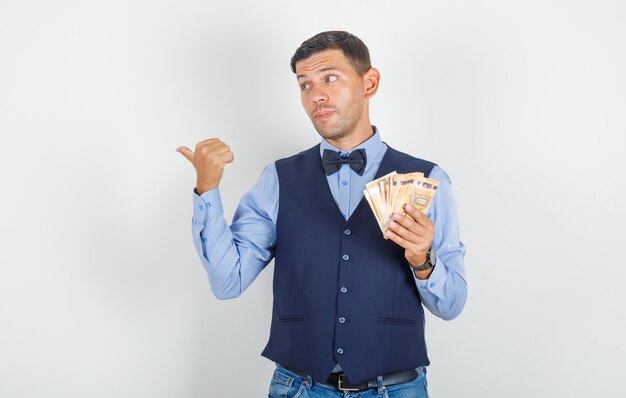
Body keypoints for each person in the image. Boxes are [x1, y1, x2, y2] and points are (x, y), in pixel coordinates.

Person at [177, 31, 467, 398]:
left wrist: (423, 261)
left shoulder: (429, 179)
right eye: (304, 84)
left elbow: (453, 304)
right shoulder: (278, 179)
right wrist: (207, 189)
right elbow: (228, 281)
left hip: (397, 389)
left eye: (330, 78)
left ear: (370, 83)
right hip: (299, 387)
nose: (317, 95)